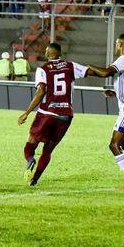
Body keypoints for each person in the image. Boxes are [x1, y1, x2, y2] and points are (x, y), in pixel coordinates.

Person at [17, 42, 88, 187]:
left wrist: (26, 112)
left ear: (49, 54)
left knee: (30, 144)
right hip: (65, 115)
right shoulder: (71, 66)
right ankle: (35, 179)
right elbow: (89, 71)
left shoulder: (42, 69)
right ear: (59, 54)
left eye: (46, 51)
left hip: (46, 113)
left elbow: (41, 91)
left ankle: (30, 160)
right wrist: (108, 71)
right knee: (48, 150)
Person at [85, 33, 124, 189]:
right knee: (121, 143)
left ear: (121, 44)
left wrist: (88, 66)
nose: (115, 46)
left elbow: (106, 72)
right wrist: (115, 93)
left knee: (114, 145)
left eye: (116, 44)